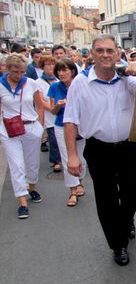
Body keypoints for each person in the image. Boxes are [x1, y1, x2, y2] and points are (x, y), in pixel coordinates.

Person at [63, 34, 136, 266]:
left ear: (118, 53)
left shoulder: (128, 81)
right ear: (92, 54)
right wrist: (72, 155)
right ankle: (118, 245)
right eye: (100, 51)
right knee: (107, 199)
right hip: (99, 150)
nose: (105, 55)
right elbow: (70, 120)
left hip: (129, 146)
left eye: (110, 50)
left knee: (134, 192)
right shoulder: (80, 83)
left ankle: (126, 220)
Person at [0, 53, 45, 219]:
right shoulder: (0, 85)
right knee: (16, 165)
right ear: (7, 69)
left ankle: (32, 188)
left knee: (32, 164)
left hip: (30, 127)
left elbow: (39, 106)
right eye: (15, 72)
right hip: (9, 130)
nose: (19, 75)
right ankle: (22, 201)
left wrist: (40, 126)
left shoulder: (31, 83)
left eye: (22, 72)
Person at [49, 58, 86, 207]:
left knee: (82, 159)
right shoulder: (54, 87)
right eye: (59, 70)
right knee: (67, 159)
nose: (61, 73)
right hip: (61, 126)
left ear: (72, 71)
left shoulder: (80, 85)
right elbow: (52, 110)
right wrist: (58, 105)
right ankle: (72, 191)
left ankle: (80, 183)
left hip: (80, 126)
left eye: (64, 70)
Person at [35, 55, 62, 172]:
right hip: (49, 116)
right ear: (42, 67)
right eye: (48, 64)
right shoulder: (37, 82)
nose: (51, 67)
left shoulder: (59, 80)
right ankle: (55, 161)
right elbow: (40, 100)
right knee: (53, 139)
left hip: (60, 114)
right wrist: (52, 108)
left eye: (53, 64)